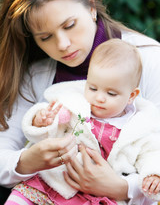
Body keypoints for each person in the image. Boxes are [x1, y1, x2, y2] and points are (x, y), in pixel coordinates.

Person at [0, 0, 160, 204]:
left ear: (91, 7)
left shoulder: (149, 60)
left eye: (69, 25)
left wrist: (122, 187)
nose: (63, 44)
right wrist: (27, 161)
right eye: (45, 37)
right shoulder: (36, 76)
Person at [5, 39, 160, 205]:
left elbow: (152, 154)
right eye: (93, 88)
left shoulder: (139, 127)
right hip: (54, 182)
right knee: (19, 199)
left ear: (131, 96)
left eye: (111, 94)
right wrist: (42, 121)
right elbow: (48, 134)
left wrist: (153, 174)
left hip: (97, 195)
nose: (99, 98)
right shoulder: (74, 107)